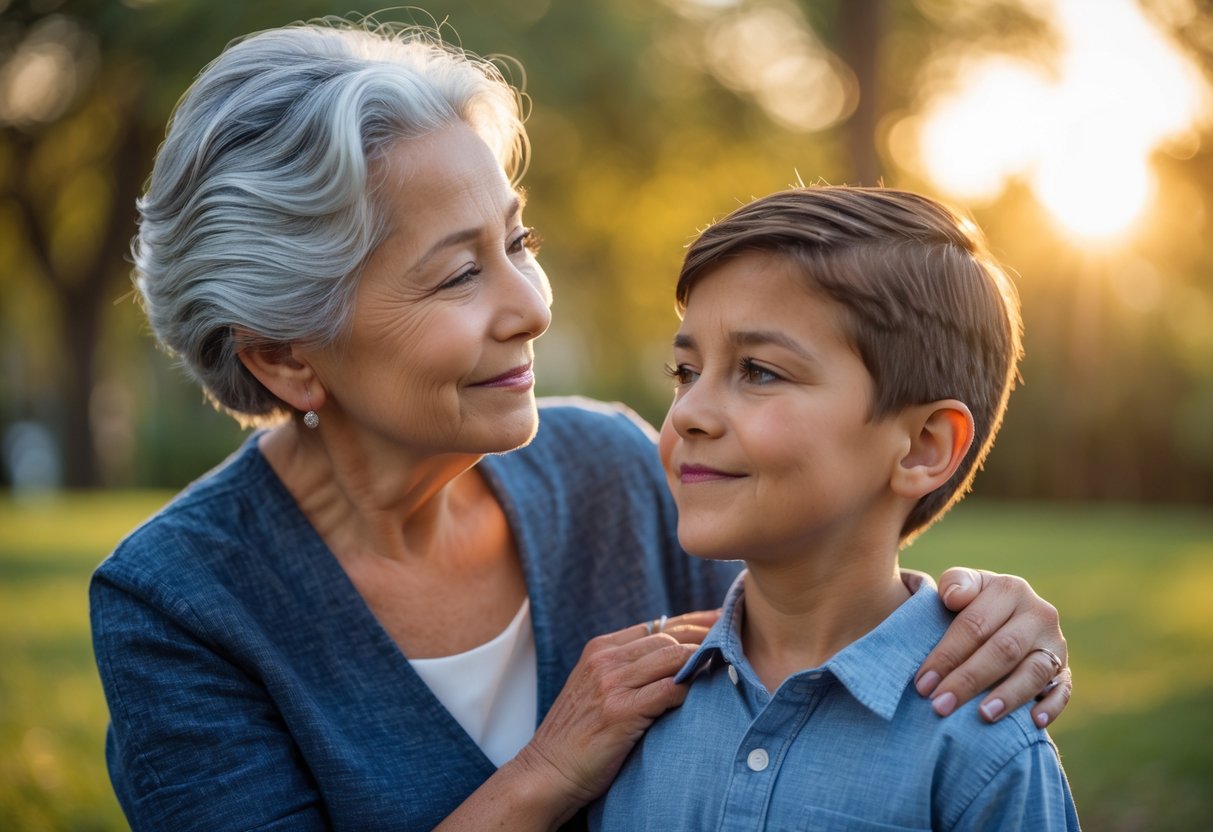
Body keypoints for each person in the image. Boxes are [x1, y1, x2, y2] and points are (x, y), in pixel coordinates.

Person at [89, 18, 1071, 832]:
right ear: (286, 355)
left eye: (516, 240)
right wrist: (545, 772)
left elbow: (824, 620)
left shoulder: (618, 471)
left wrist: (974, 611)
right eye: (459, 272)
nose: (529, 306)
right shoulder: (177, 604)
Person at [591, 186, 1080, 830]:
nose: (687, 413)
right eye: (686, 372)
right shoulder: (628, 714)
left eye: (759, 371)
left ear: (924, 447)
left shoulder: (982, 747)